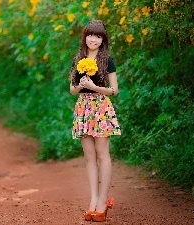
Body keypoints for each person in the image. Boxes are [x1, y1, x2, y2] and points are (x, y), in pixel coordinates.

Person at [69, 20, 121, 222]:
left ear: (103, 39)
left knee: (102, 154)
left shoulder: (107, 60)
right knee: (89, 156)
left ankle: (102, 202)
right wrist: (82, 85)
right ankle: (92, 200)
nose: (94, 39)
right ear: (85, 37)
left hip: (100, 107)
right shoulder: (78, 59)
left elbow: (115, 91)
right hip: (83, 107)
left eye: (98, 36)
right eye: (91, 35)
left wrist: (95, 86)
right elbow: (72, 90)